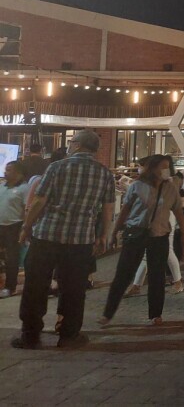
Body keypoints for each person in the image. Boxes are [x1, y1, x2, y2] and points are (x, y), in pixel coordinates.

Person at [14, 130, 115, 349]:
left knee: (36, 286)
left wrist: (27, 226)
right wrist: (104, 235)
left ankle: (30, 335)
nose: (69, 145)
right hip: (80, 239)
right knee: (74, 289)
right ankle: (68, 335)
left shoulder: (57, 167)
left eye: (71, 142)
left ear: (77, 145)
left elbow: (40, 200)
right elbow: (107, 208)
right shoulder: (104, 173)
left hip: (47, 235)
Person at [100, 154, 184, 326]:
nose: (165, 170)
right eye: (162, 166)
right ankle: (108, 313)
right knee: (123, 274)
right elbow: (126, 210)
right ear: (153, 168)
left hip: (160, 235)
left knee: (157, 276)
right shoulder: (137, 186)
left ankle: (156, 314)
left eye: (167, 167)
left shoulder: (171, 188)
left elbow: (178, 211)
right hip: (136, 233)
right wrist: (114, 232)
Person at [0, 161, 28, 298]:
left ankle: (10, 287)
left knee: (12, 258)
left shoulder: (24, 189)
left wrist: (25, 228)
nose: (5, 172)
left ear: (18, 173)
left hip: (14, 226)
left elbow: (26, 209)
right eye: (6, 169)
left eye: (9, 170)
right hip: (0, 225)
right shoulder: (2, 187)